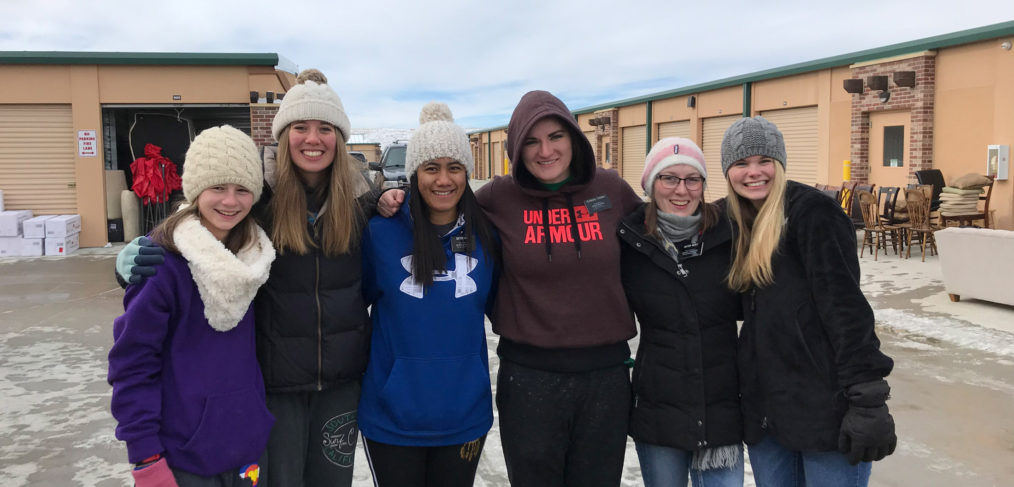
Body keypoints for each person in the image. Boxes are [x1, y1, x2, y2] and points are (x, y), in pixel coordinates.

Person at [116, 69, 375, 487]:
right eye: (300, 127)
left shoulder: (363, 205)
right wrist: (134, 257)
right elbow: (200, 225)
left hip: (341, 384)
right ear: (282, 135)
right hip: (277, 385)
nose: (313, 139)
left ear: (340, 138)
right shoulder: (261, 203)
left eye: (325, 128)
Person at [380, 90, 642, 486]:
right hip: (529, 377)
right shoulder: (498, 198)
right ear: (516, 149)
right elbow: (441, 200)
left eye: (556, 136)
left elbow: (661, 234)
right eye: (531, 141)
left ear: (574, 138)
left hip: (605, 376)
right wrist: (383, 198)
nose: (545, 151)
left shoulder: (611, 191)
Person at [721, 116, 896, 486]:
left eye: (763, 160)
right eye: (740, 163)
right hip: (767, 414)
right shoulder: (735, 221)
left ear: (780, 164)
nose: (753, 172)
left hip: (824, 409)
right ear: (728, 171)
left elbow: (847, 311)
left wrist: (867, 399)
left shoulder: (814, 214)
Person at [108, 125, 276, 487]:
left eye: (242, 189)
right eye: (217, 187)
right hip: (185, 456)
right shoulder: (160, 264)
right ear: (196, 189)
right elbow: (132, 365)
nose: (230, 202)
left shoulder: (256, 259)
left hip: (248, 452)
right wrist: (145, 459)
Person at [358, 102, 497, 486]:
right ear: (414, 173)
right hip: (392, 416)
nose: (443, 180)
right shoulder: (380, 233)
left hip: (463, 413)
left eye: (454, 167)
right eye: (431, 168)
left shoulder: (487, 237)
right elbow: (352, 304)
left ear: (467, 173)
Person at [618, 137, 743, 487]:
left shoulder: (730, 235)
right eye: (668, 178)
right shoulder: (630, 241)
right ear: (650, 185)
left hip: (720, 409)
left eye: (693, 179)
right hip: (659, 408)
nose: (682, 190)